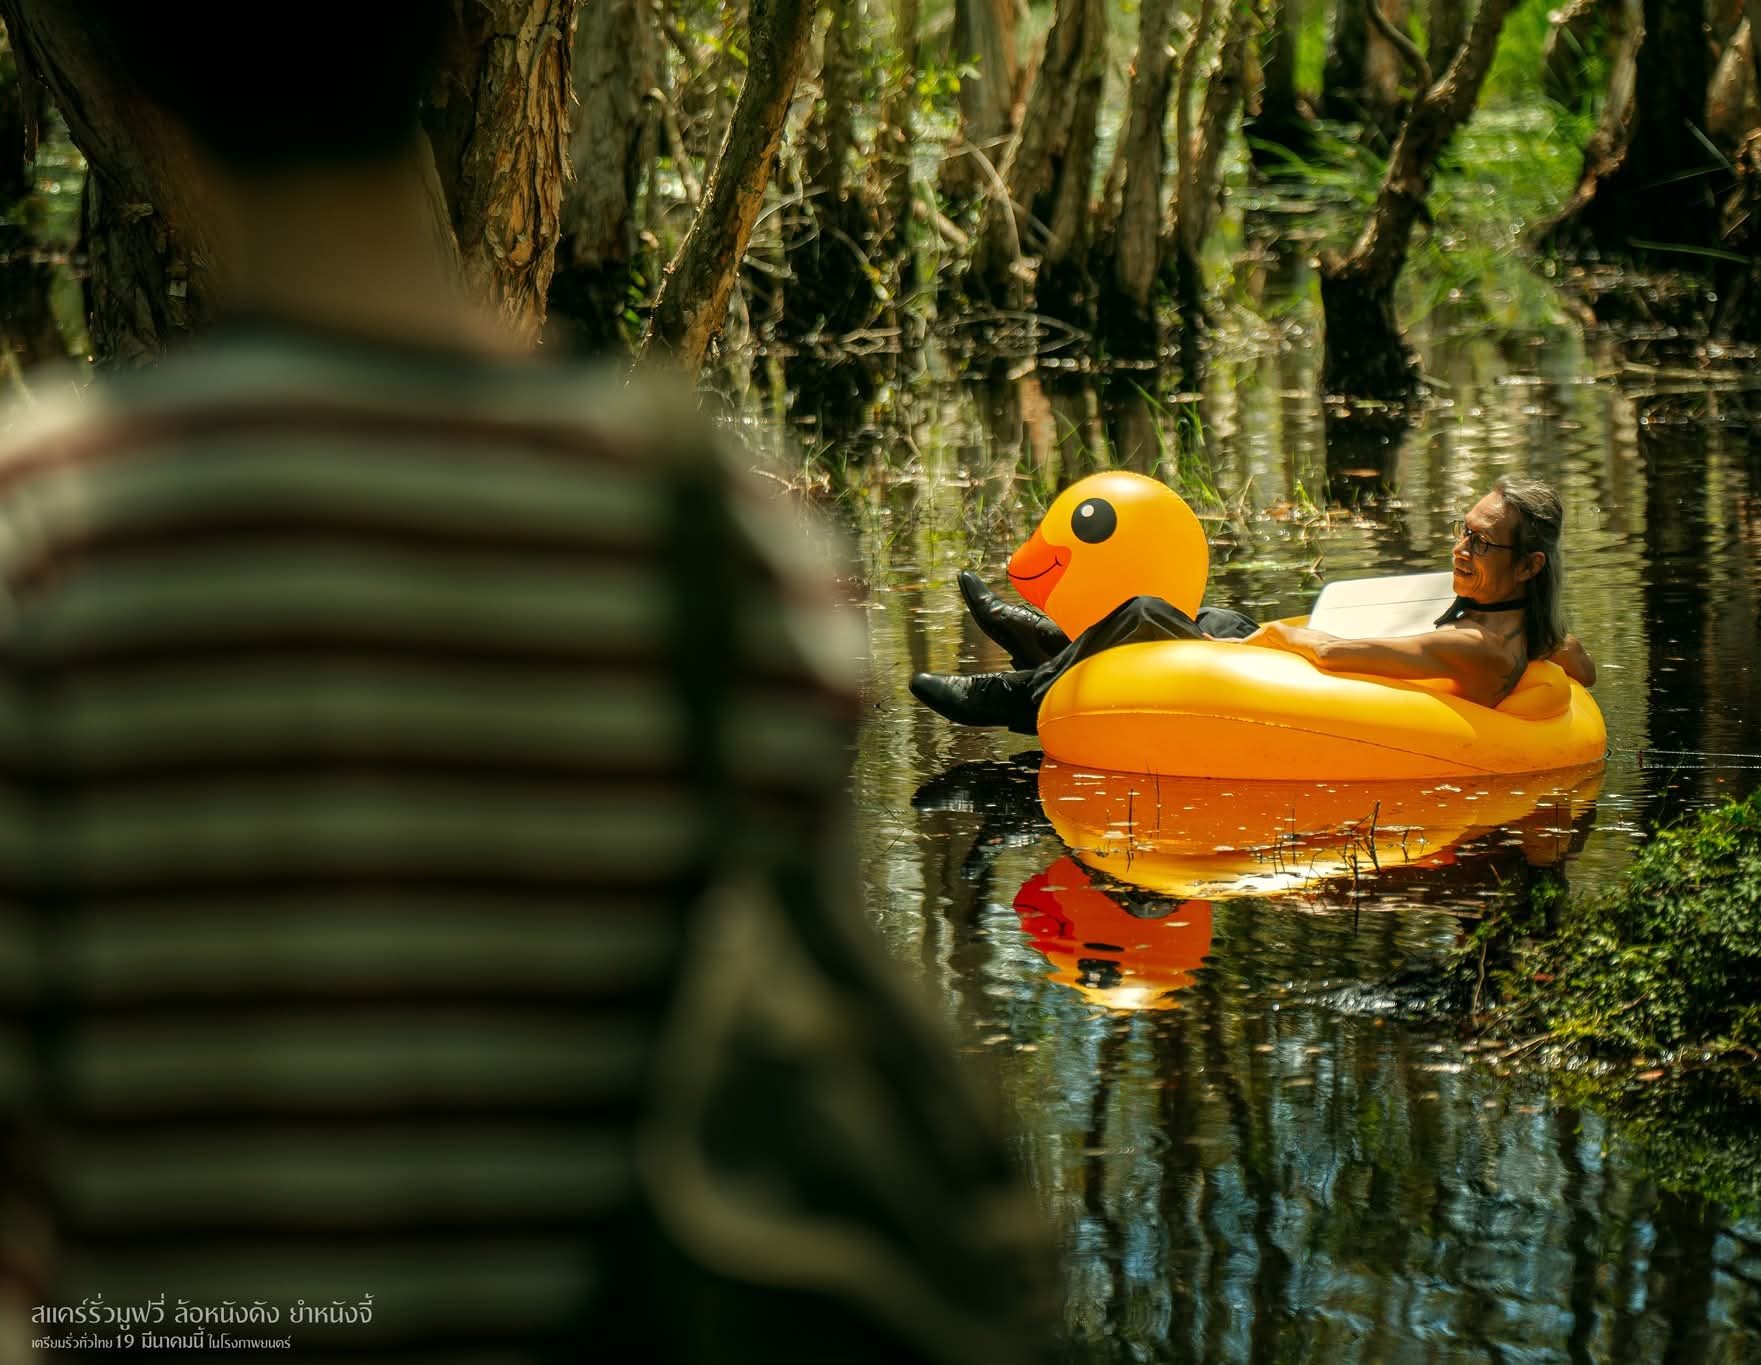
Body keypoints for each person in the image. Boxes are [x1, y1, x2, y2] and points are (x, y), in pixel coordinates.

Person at [0, 8, 1052, 1363]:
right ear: (456, 39)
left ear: (135, 66)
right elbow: (806, 1059)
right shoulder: (708, 539)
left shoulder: (43, 537)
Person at [911, 476, 1594, 732]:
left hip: (1312, 692)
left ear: (1529, 566)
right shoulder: (1520, 622)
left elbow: (1338, 654)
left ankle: (1012, 695)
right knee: (1214, 619)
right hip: (1324, 673)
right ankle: (1045, 641)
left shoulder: (1474, 643)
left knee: (1148, 610)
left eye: (1482, 543)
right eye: (1463, 531)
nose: (1460, 549)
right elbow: (1581, 666)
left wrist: (1273, 638)